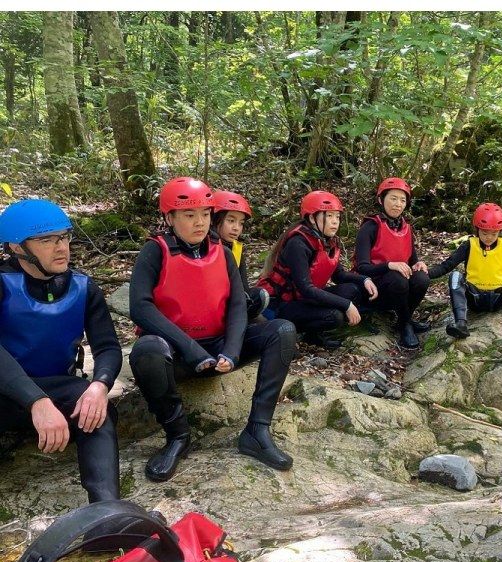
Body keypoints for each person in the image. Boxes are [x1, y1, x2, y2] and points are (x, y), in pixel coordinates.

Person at [128, 177, 296, 482]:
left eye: (205, 214)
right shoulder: (154, 252)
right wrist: (192, 350)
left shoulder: (223, 250)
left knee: (282, 330)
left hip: (218, 348)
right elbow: (140, 308)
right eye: (189, 215)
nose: (200, 223)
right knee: (147, 349)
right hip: (178, 353)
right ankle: (178, 436)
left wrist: (231, 351)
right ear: (169, 217)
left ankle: (257, 431)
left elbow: (236, 304)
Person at [0, 198, 123, 504]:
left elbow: (107, 346)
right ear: (17, 247)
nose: (61, 247)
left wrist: (99, 385)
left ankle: (107, 511)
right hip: (5, 394)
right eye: (46, 240)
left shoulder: (83, 286)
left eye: (64, 237)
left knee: (96, 411)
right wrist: (36, 401)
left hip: (57, 386)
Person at [257, 191, 378, 350]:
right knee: (335, 316)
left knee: (353, 290)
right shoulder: (298, 244)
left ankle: (311, 334)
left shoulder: (327, 240)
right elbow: (306, 289)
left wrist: (364, 280)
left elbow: (338, 275)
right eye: (329, 216)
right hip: (281, 305)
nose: (335, 222)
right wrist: (346, 305)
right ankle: (301, 333)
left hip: (302, 299)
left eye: (337, 217)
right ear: (312, 218)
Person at [428, 203, 502, 346]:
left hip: (498, 297)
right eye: (484, 233)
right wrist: (427, 273)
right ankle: (461, 324)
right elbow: (447, 266)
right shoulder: (469, 245)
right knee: (455, 276)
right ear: (477, 230)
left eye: (494, 234)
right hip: (474, 297)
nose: (489, 238)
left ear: (500, 231)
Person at [353, 177, 430, 349]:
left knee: (422, 278)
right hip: (372, 289)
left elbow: (413, 260)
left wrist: (419, 265)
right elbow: (361, 267)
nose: (398, 204)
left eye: (403, 200)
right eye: (393, 198)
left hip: (397, 288)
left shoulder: (406, 227)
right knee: (398, 278)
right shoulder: (370, 227)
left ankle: (405, 319)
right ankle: (405, 325)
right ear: (381, 200)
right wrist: (389, 265)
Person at [211, 190, 268, 320]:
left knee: (261, 301)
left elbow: (244, 288)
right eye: (231, 220)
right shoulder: (204, 246)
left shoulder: (236, 249)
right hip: (210, 307)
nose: (236, 228)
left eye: (241, 223)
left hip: (233, 306)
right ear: (214, 220)